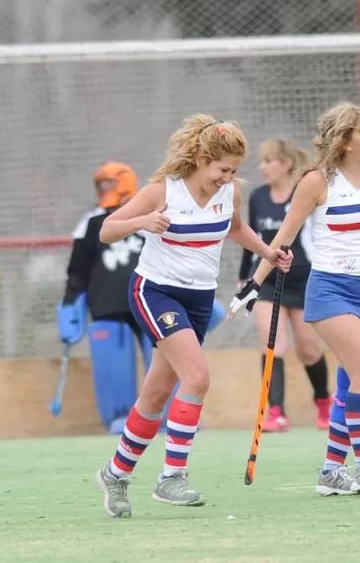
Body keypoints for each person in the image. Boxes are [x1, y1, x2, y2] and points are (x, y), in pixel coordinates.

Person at [93, 114, 292, 518]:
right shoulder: (162, 191)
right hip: (156, 291)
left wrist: (268, 252)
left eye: (233, 171)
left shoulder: (230, 192)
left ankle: (115, 473)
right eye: (221, 169)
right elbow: (107, 231)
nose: (226, 177)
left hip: (199, 300)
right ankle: (172, 477)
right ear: (201, 158)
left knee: (155, 394)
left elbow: (236, 229)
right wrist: (143, 222)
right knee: (197, 377)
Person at [231, 102, 360, 496]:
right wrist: (253, 284)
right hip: (331, 288)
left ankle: (332, 469)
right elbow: (283, 236)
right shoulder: (317, 181)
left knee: (352, 379)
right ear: (345, 141)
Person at [58, 162, 228, 435]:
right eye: (101, 185)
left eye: (110, 184)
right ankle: (120, 416)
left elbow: (185, 252)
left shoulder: (159, 208)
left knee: (168, 361)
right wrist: (69, 303)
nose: (105, 190)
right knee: (112, 362)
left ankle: (177, 414)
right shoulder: (91, 223)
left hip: (156, 298)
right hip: (108, 306)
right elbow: (77, 270)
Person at [238, 138, 331, 433]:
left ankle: (324, 403)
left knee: (309, 349)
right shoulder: (257, 198)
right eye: (261, 161)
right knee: (272, 343)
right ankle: (274, 411)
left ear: (286, 164)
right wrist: (246, 277)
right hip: (268, 280)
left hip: (303, 279)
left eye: (269, 161)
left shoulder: (304, 193)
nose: (262, 167)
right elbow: (249, 241)